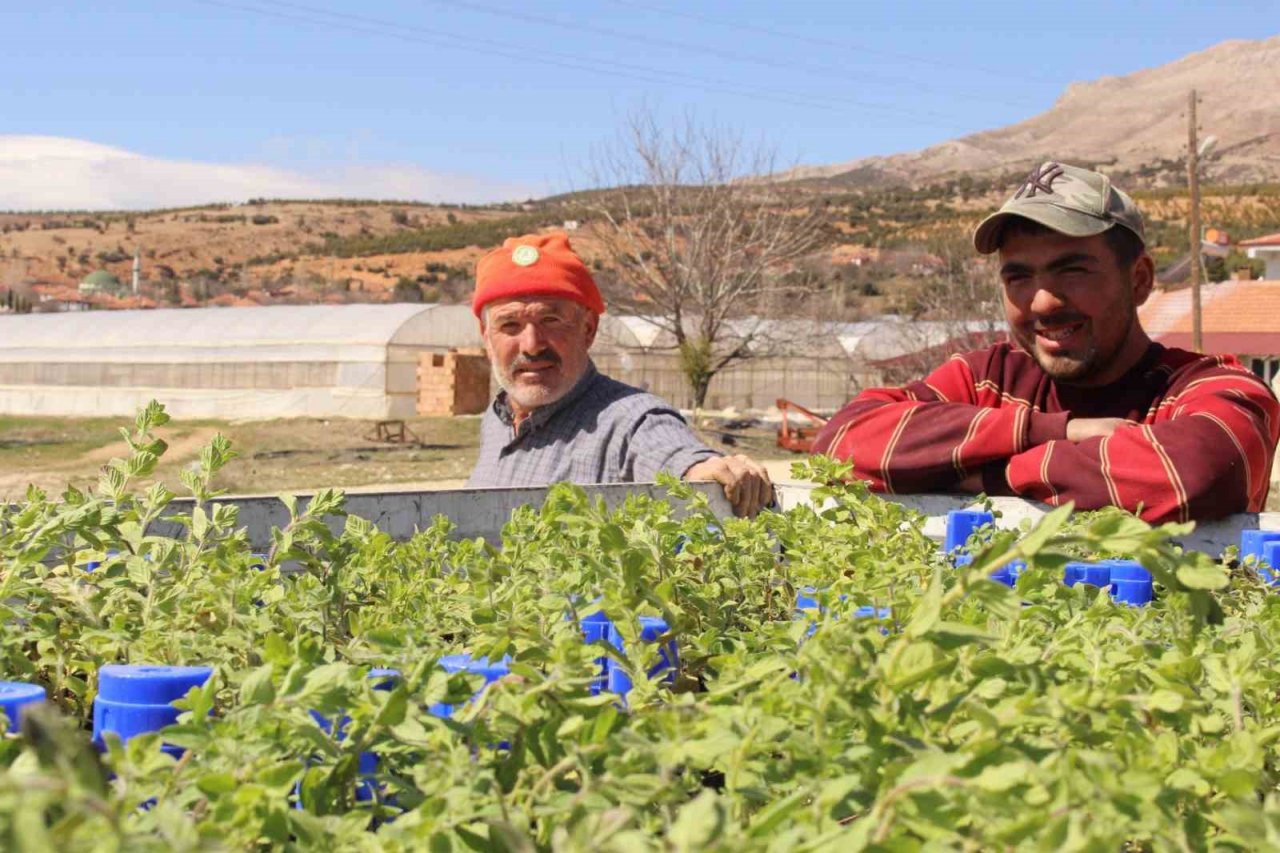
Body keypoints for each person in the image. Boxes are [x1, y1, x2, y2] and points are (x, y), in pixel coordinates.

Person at [813, 161, 1279, 523]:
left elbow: (1193, 474)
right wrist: (1055, 432)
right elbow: (841, 441)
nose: (1041, 302)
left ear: (1139, 280)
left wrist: (987, 475)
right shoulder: (985, 379)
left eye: (1072, 270)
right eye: (1018, 276)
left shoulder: (1212, 386)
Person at [465, 232, 773, 516]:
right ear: (486, 337)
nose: (531, 345)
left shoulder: (630, 421)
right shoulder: (497, 420)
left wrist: (705, 469)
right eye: (510, 326)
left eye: (551, 320)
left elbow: (671, 454)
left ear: (587, 330)